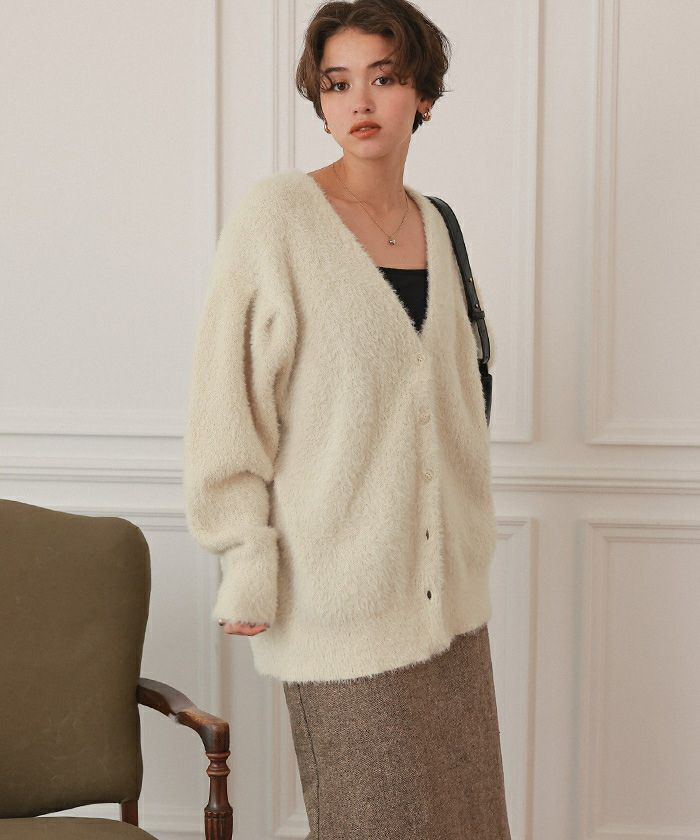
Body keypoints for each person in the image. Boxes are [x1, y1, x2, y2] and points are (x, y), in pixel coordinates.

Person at [183, 0, 511, 837]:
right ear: (320, 102)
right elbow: (228, 404)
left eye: (384, 78)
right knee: (374, 819)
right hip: (337, 595)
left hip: (449, 603)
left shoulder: (438, 224)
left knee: (470, 821)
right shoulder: (278, 218)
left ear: (423, 97)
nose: (360, 101)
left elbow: (458, 403)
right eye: (337, 84)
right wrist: (245, 556)